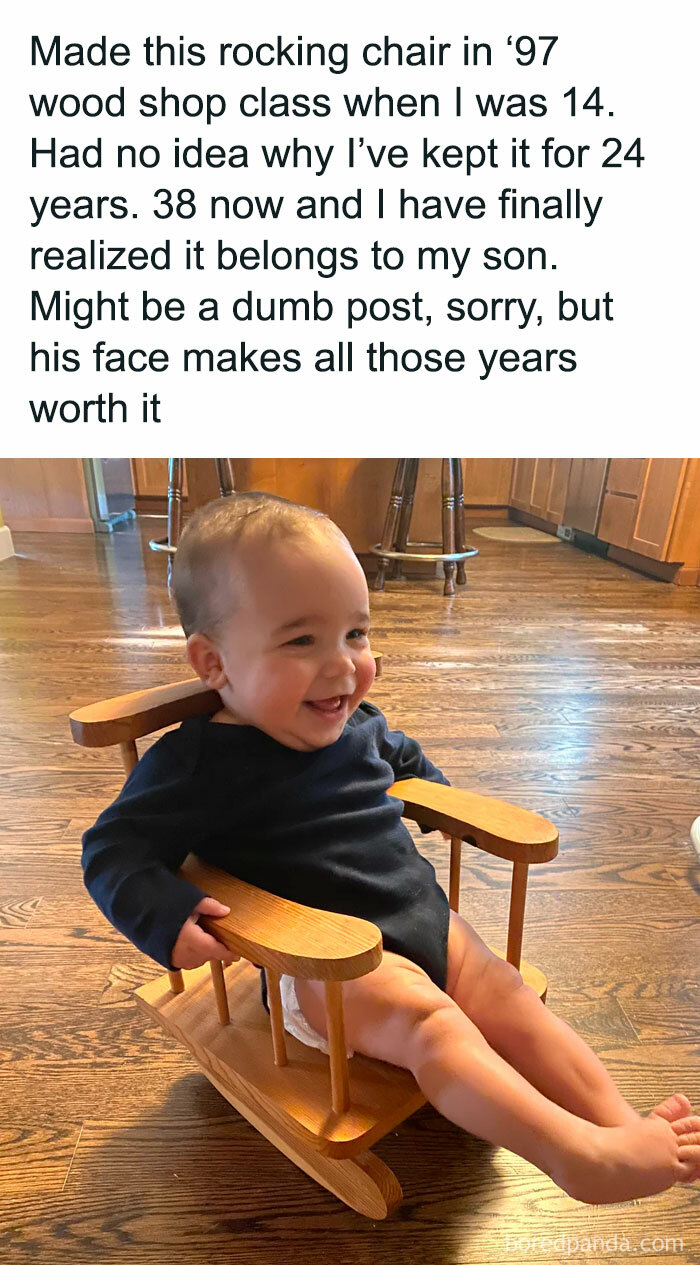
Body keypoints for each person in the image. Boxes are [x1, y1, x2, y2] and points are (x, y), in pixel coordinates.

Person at [82, 492, 700, 1206]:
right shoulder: (198, 764)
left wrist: (450, 807)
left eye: (356, 632)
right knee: (432, 1025)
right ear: (213, 661)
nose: (343, 665)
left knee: (503, 991)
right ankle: (578, 1155)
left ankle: (621, 1126)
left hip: (417, 913)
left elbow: (403, 760)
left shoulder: (359, 724)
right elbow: (112, 847)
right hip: (329, 964)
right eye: (301, 640)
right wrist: (167, 912)